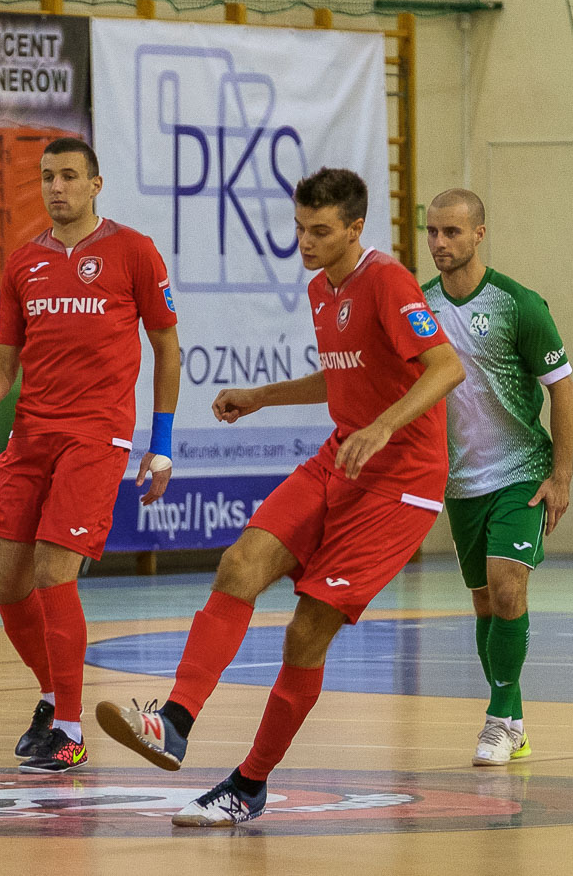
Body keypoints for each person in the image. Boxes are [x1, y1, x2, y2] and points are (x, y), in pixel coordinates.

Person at [94, 168, 466, 825]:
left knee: (305, 632)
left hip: (401, 481)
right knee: (240, 563)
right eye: (298, 228)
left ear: (355, 228)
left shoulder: (386, 281)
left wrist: (383, 426)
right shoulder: (322, 289)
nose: (305, 241)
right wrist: (262, 396)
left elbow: (446, 367)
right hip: (340, 458)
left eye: (319, 230)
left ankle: (249, 784)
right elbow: (344, 376)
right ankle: (173, 724)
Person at [0, 136, 181, 773]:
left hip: (95, 436)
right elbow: (4, 364)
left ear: (95, 184)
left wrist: (161, 445)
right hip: (31, 436)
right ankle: (53, 698)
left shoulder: (134, 251)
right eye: (48, 176)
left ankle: (71, 733)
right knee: (6, 583)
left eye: (70, 176)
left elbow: (167, 348)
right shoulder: (24, 263)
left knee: (54, 573)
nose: (57, 187)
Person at [423, 188, 573, 766]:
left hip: (522, 472)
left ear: (479, 234)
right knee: (486, 604)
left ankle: (496, 719)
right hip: (462, 482)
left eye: (452, 232)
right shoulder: (420, 307)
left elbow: (564, 389)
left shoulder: (518, 304)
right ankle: (514, 724)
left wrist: (561, 476)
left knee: (508, 587)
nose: (440, 242)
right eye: (433, 232)